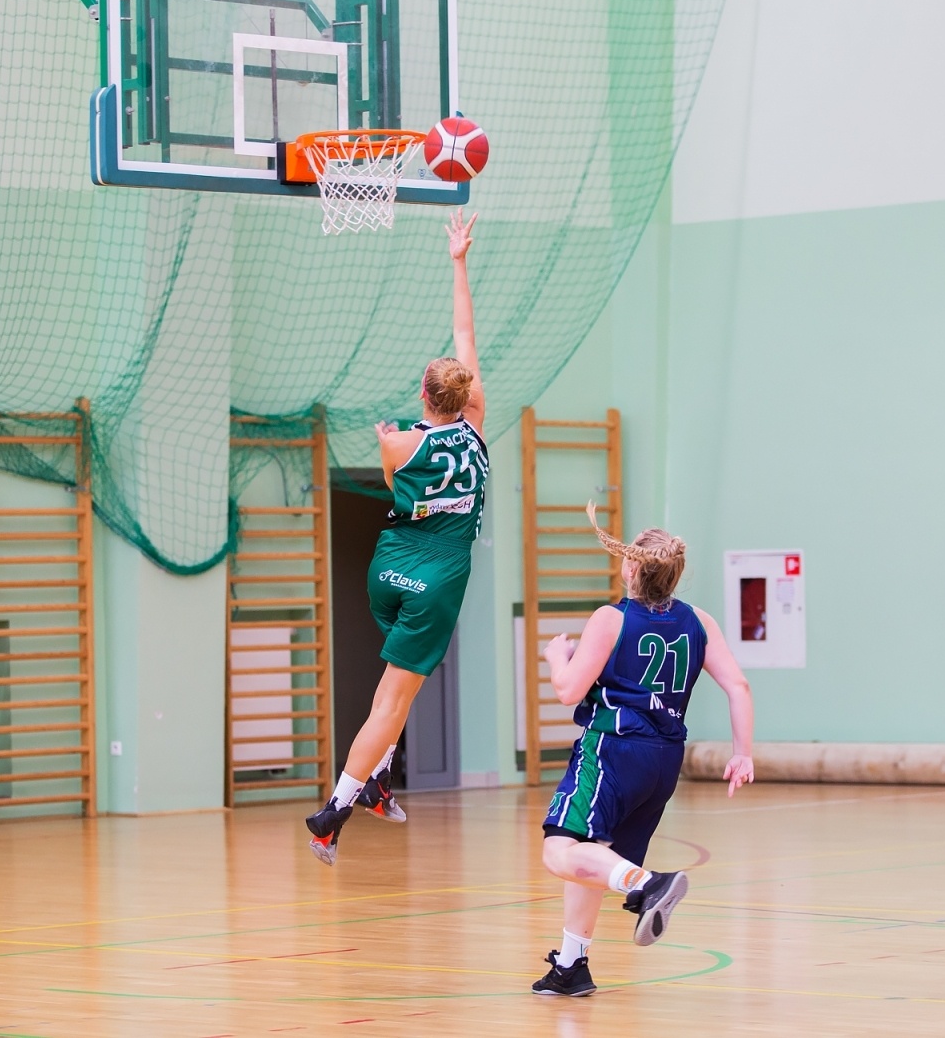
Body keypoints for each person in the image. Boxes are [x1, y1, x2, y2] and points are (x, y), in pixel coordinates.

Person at [305, 210, 486, 865]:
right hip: (436, 580)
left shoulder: (394, 445)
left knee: (399, 692)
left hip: (388, 570)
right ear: (466, 399)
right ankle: (335, 810)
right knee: (392, 700)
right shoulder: (477, 425)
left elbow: (402, 441)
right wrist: (458, 260)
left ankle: (377, 780)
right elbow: (465, 332)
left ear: (422, 393)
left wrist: (397, 431)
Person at [531, 503, 755, 996]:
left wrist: (556, 658)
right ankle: (572, 965)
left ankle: (647, 885)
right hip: (663, 760)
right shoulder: (699, 621)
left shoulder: (613, 618)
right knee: (596, 853)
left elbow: (569, 690)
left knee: (558, 852)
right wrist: (743, 753)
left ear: (630, 566)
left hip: (614, 747)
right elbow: (738, 685)